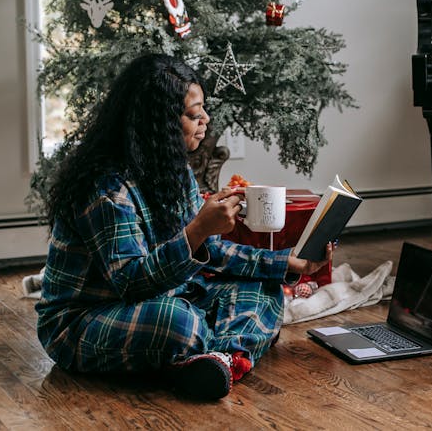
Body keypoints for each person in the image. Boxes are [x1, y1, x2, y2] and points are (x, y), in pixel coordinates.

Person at [36, 53, 331, 400]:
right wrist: (198, 230)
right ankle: (223, 347)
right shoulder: (106, 188)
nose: (205, 119)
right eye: (193, 114)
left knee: (264, 288)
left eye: (202, 109)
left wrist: (285, 263)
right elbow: (131, 282)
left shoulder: (171, 171)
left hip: (167, 295)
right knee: (178, 322)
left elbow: (215, 253)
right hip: (84, 321)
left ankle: (216, 359)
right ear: (157, 123)